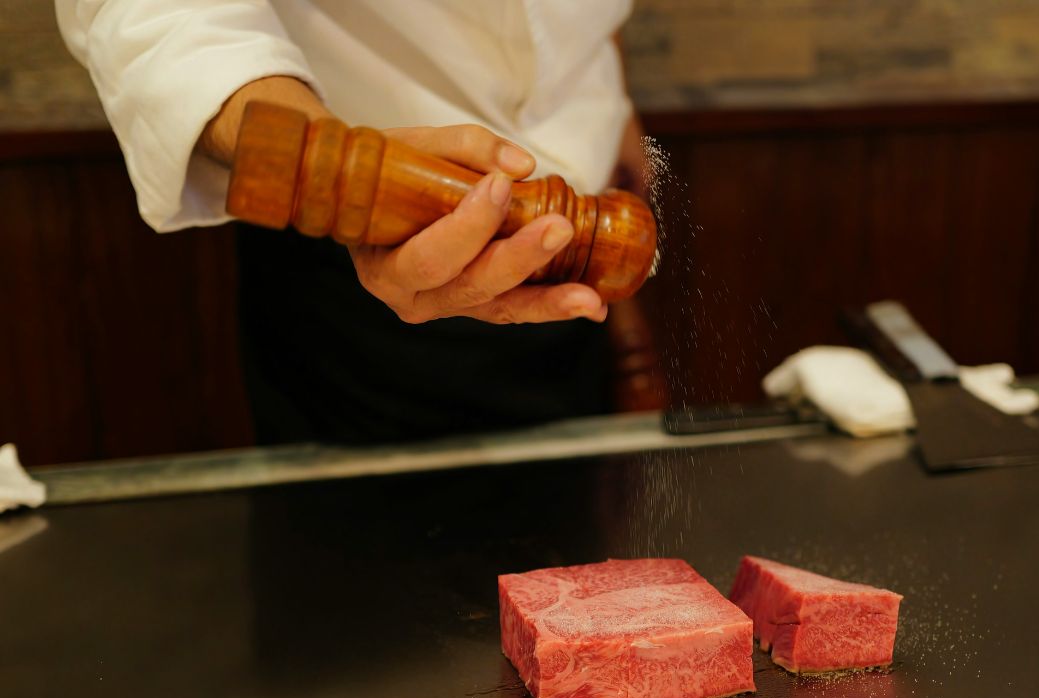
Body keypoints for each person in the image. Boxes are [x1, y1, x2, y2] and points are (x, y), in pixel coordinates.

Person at [56, 1, 651, 443]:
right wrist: (332, 171)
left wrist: (609, 101)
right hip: (360, 259)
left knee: (570, 585)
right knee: (361, 590)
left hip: (579, 260)